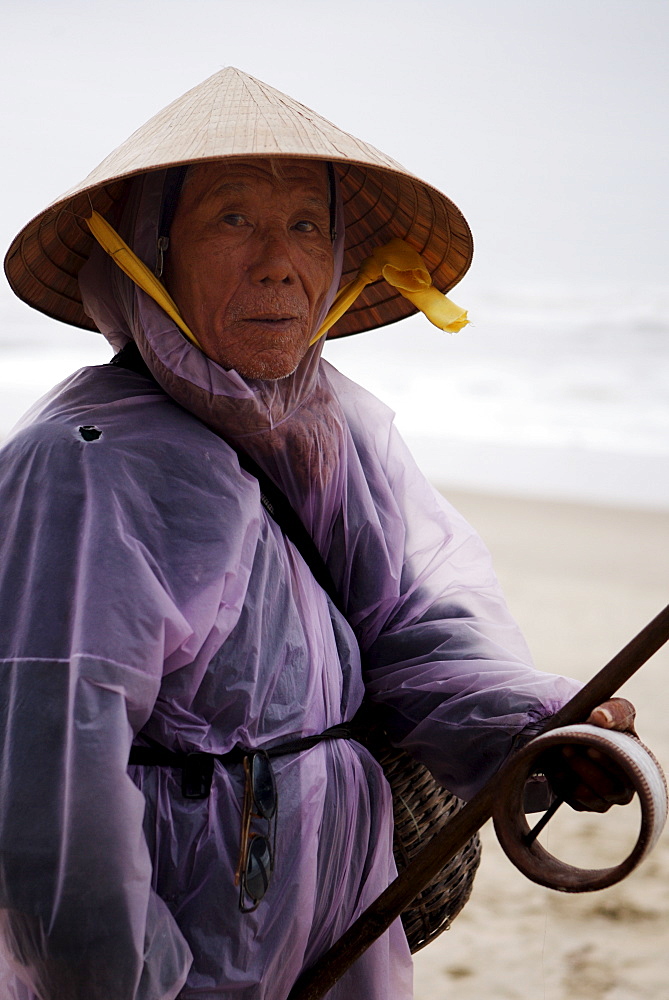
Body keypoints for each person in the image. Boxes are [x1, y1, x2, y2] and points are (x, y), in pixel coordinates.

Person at [0, 68, 637, 1000]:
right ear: (149, 250)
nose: (277, 261)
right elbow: (49, 796)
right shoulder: (82, 467)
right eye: (231, 218)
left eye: (305, 224)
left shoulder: (326, 432)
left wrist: (539, 728)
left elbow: (412, 629)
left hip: (339, 931)